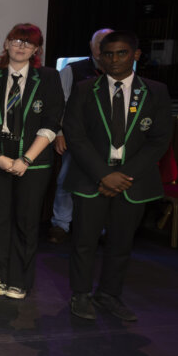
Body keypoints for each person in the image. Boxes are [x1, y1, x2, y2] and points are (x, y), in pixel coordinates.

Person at [63, 31, 171, 322]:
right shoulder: (85, 89)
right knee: (84, 242)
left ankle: (109, 295)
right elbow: (75, 135)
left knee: (121, 244)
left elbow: (159, 140)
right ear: (99, 56)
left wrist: (123, 175)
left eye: (121, 53)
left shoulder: (156, 91)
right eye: (107, 54)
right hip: (91, 178)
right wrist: (104, 175)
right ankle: (81, 294)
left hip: (132, 182)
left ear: (135, 55)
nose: (113, 60)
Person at [0, 24, 63, 300]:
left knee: (27, 223)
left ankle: (20, 280)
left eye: (28, 43)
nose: (20, 46)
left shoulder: (48, 78)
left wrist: (26, 158)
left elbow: (52, 122)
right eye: (15, 40)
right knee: (0, 220)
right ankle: (3, 275)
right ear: (5, 43)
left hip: (34, 161)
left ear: (36, 50)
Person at [48, 28, 111, 243]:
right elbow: (60, 103)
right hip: (76, 138)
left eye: (108, 41)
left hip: (107, 141)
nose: (103, 45)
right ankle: (61, 224)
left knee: (104, 180)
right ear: (91, 45)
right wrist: (59, 132)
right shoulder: (72, 70)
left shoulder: (120, 71)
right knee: (66, 180)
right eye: (99, 41)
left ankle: (99, 227)